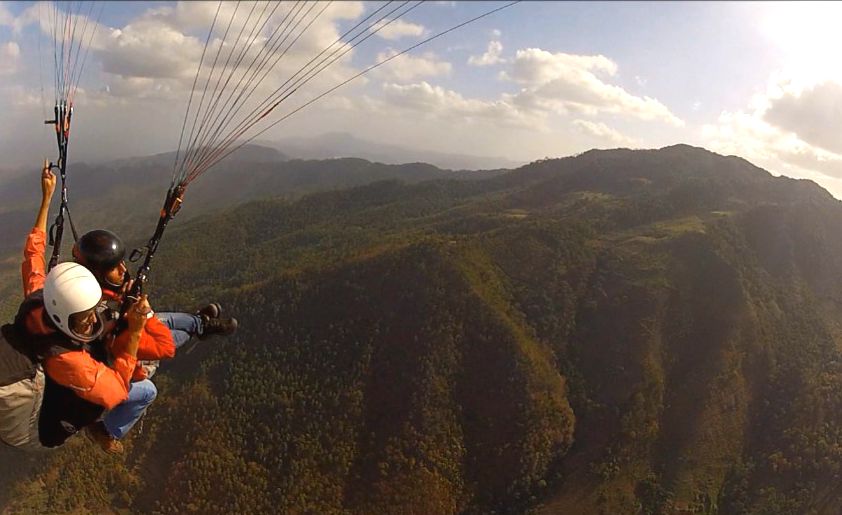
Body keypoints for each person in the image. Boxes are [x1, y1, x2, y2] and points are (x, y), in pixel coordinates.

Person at [17, 162, 153, 453]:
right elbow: (116, 391)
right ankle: (100, 430)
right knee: (147, 390)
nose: (93, 317)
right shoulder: (69, 361)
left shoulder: (41, 298)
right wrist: (137, 331)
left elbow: (34, 251)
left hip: (58, 382)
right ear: (65, 319)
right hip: (50, 424)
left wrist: (47, 197)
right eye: (85, 316)